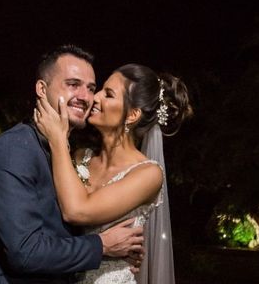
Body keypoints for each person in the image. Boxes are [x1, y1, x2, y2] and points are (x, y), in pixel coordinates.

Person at [0, 45, 145, 284]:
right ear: (42, 89)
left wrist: (115, 263)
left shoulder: (65, 152)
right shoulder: (14, 149)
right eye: (73, 84)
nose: (86, 97)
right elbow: (26, 253)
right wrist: (103, 246)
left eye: (91, 88)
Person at [34, 63, 192, 284]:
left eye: (108, 94)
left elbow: (76, 211)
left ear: (132, 114)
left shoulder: (149, 174)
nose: (95, 98)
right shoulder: (80, 157)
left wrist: (57, 139)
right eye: (100, 89)